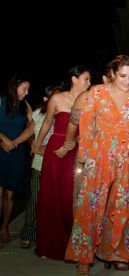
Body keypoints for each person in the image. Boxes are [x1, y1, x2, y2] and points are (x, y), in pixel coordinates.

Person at [59, 55, 129, 276]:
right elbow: (86, 125)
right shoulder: (96, 94)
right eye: (123, 75)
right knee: (90, 211)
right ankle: (83, 265)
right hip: (100, 159)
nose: (128, 80)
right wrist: (85, 157)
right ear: (112, 73)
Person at [33, 66, 91, 260]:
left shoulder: (90, 100)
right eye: (86, 79)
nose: (88, 83)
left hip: (79, 149)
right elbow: (47, 122)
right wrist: (37, 145)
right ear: (74, 79)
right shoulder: (57, 99)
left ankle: (73, 245)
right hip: (56, 150)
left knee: (73, 195)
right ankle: (50, 245)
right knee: (52, 195)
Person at [20, 85, 56, 249]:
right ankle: (28, 234)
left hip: (56, 165)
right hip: (38, 165)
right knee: (34, 200)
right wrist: (19, 143)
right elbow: (29, 132)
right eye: (52, 97)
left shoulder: (64, 116)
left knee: (53, 204)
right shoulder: (38, 114)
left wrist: (45, 148)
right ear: (45, 99)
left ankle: (49, 234)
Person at [0, 74, 34, 245]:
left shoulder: (25, 106)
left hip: (16, 152)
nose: (26, 93)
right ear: (14, 87)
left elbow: (32, 127)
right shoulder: (0, 101)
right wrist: (4, 140)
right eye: (24, 89)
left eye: (28, 89)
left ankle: (5, 226)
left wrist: (14, 142)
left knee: (10, 194)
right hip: (0, 149)